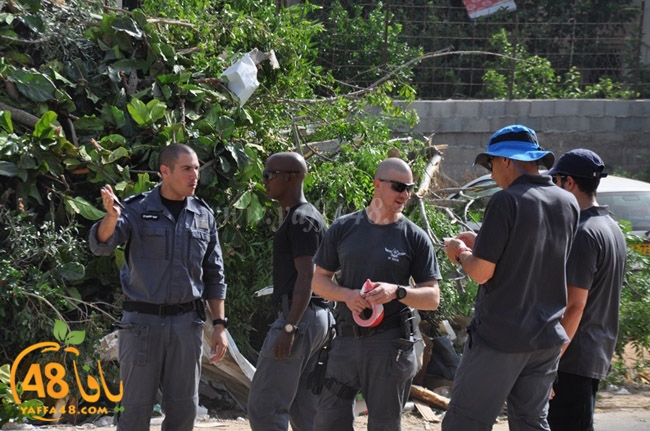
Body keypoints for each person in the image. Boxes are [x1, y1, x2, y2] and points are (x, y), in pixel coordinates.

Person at [442, 124, 580, 431]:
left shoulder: (506, 201)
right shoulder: (567, 202)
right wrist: (481, 243)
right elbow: (533, 254)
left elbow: (481, 272)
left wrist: (460, 252)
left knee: (464, 423)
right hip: (545, 339)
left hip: (501, 339)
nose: (491, 174)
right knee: (531, 423)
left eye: (491, 164)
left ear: (506, 160)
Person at [88, 143, 228, 431]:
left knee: (184, 411)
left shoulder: (203, 215)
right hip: (142, 325)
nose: (195, 176)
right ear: (165, 171)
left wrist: (219, 325)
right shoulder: (136, 209)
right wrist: (111, 217)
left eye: (197, 168)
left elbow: (215, 275)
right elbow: (101, 246)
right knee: (134, 412)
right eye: (187, 169)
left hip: (186, 326)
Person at [311, 157, 441, 431]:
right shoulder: (344, 228)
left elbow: (432, 297)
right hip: (345, 344)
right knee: (328, 422)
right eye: (399, 187)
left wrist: (398, 291)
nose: (405, 195)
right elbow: (318, 281)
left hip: (389, 347)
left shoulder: (414, 236)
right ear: (377, 185)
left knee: (384, 425)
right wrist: (347, 295)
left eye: (409, 188)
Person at [247, 152, 333, 431]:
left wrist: (289, 326)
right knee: (304, 409)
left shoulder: (301, 219)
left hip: (300, 318)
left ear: (292, 177)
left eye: (270, 175)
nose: (265, 181)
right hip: (315, 318)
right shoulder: (306, 217)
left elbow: (308, 275)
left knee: (266, 407)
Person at [546, 149, 627, 431]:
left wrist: (550, 362)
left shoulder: (584, 233)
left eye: (555, 181)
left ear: (568, 182)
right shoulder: (611, 227)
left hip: (572, 358)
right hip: (591, 352)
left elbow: (575, 305)